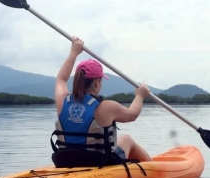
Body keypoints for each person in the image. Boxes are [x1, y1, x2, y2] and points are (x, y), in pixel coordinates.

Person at [51, 36, 152, 168]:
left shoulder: (62, 101)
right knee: (126, 139)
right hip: (98, 162)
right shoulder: (106, 107)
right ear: (97, 82)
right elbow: (133, 114)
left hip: (65, 161)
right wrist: (140, 96)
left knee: (123, 139)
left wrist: (74, 52)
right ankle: (153, 169)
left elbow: (61, 79)